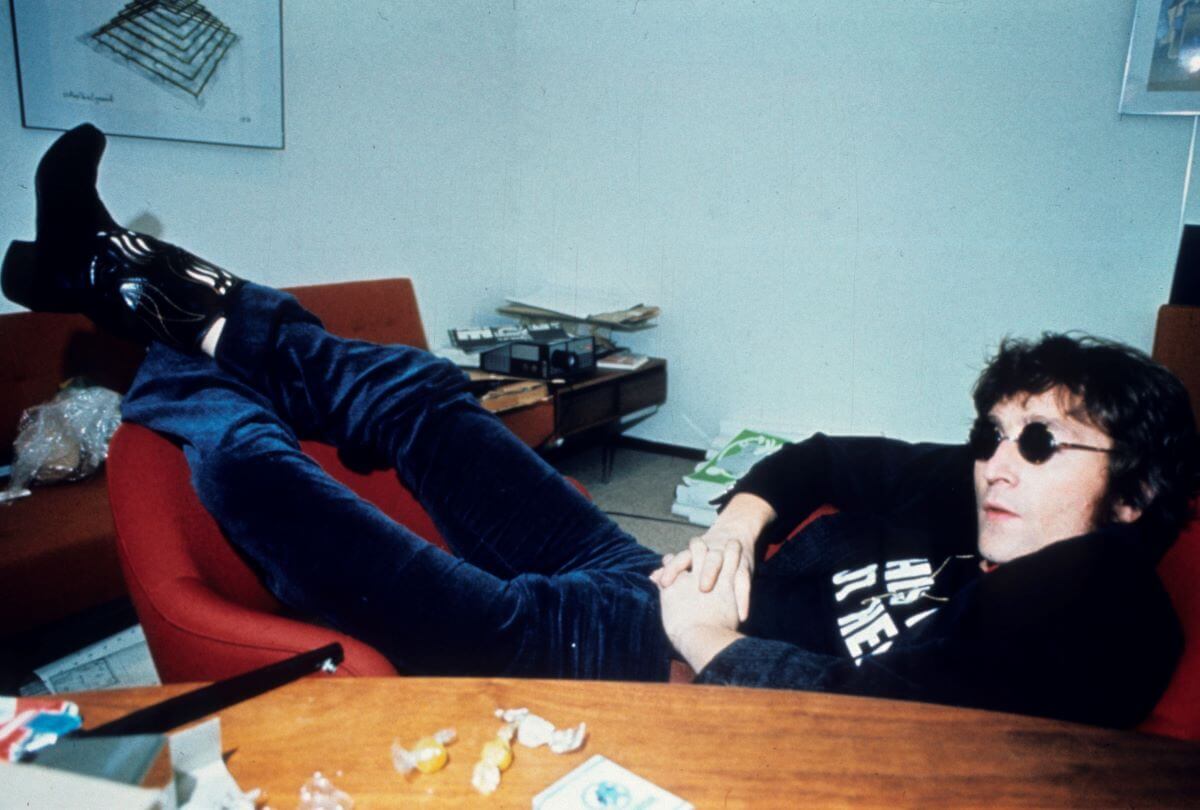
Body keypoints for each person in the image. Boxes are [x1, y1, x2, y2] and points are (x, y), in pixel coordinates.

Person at [3, 125, 1195, 728]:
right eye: (993, 432)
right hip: (645, 573)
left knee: (279, 499)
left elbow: (910, 741)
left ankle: (131, 309)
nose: (996, 462)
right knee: (428, 396)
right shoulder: (974, 498)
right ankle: (119, 269)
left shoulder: (1097, 608)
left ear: (1133, 492)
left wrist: (715, 646)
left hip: (634, 664)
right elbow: (826, 454)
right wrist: (738, 523)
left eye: (1040, 443)